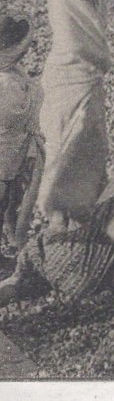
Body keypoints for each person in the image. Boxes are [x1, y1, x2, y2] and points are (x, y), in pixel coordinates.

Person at [37, 0, 112, 231]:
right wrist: (105, 60)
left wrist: (100, 62)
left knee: (91, 142)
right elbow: (76, 43)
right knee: (67, 142)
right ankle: (55, 210)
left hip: (90, 77)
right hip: (67, 78)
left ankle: (84, 205)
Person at [0, 17, 42, 253]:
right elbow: (15, 113)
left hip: (14, 148)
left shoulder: (12, 71)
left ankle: (11, 234)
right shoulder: (6, 83)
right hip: (5, 150)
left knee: (11, 196)